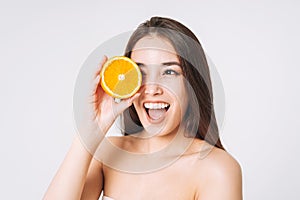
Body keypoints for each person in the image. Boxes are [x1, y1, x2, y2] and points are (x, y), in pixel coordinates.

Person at [44, 16, 242, 200]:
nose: (153, 88)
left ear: (192, 83)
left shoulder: (217, 168)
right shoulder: (107, 155)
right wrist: (89, 132)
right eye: (141, 72)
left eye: (169, 71)